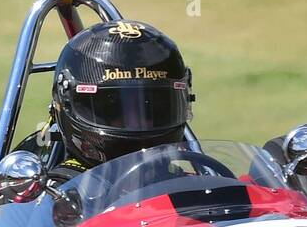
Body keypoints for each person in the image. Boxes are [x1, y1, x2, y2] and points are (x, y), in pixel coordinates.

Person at [14, 19, 194, 186]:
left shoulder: (194, 187)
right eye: (113, 109)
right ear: (67, 104)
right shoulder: (50, 198)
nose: (136, 123)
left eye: (153, 108)